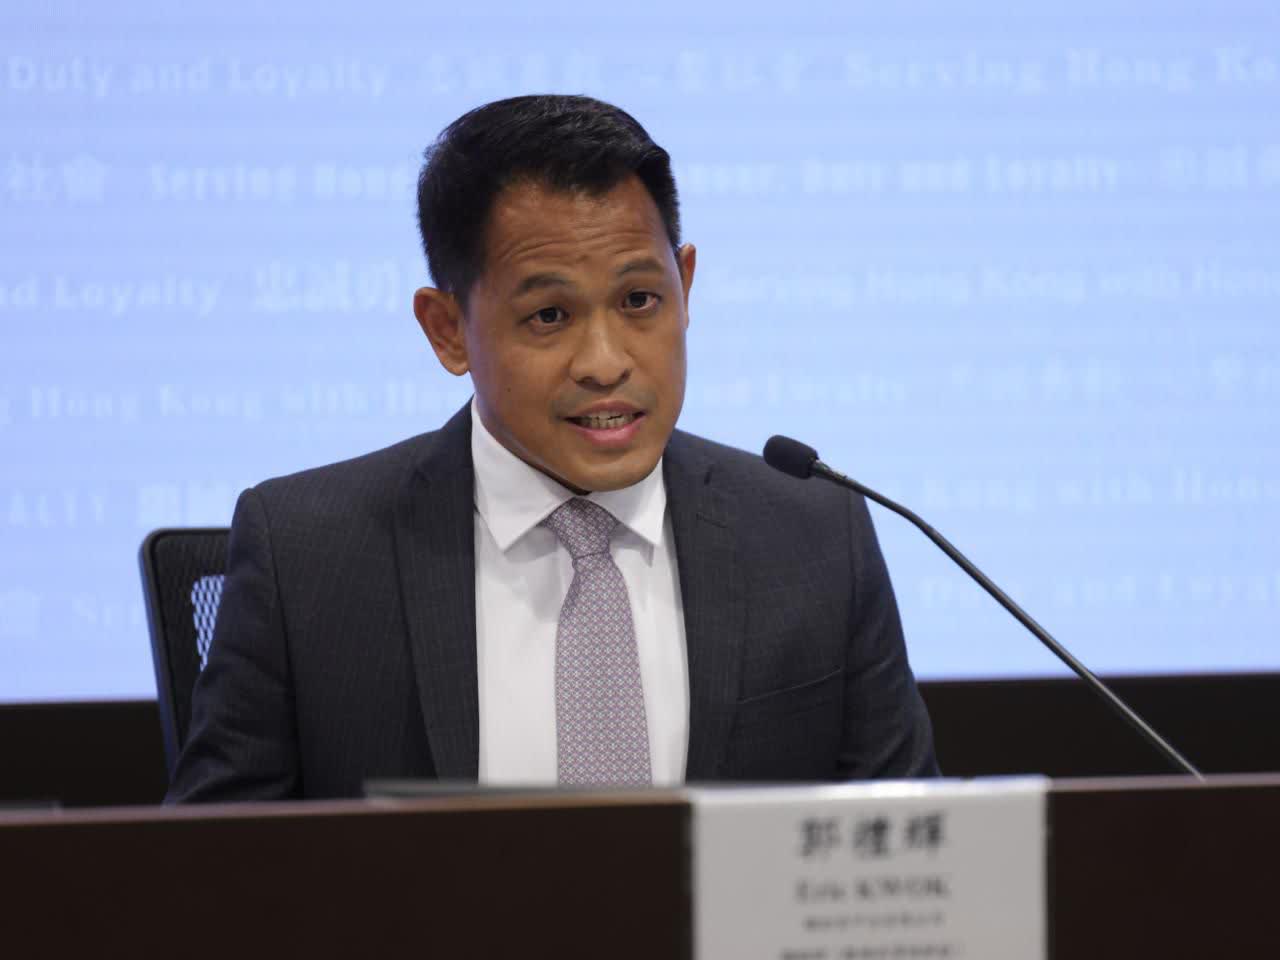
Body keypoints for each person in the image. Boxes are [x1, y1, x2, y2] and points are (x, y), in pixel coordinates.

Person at [168, 95, 937, 802]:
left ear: (686, 286)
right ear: (447, 330)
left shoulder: (815, 535)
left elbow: (914, 858)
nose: (605, 362)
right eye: (549, 316)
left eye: (640, 300)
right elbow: (209, 874)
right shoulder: (306, 557)